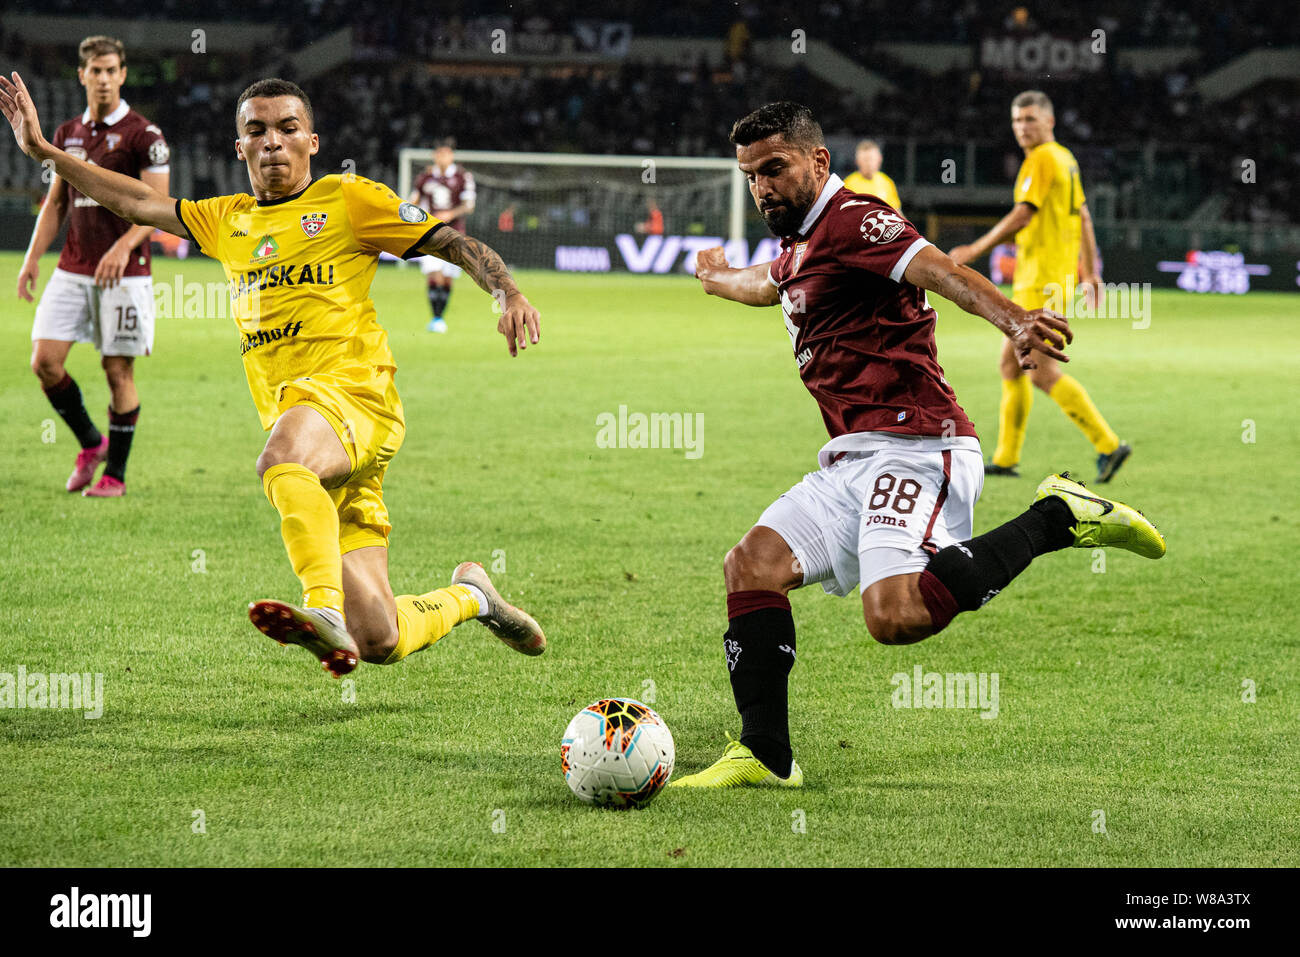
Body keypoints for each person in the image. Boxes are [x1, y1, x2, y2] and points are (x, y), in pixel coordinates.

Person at [674, 102, 1164, 789]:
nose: (761, 188)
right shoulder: (802, 245)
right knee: (750, 566)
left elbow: (940, 272)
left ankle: (1059, 516)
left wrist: (1015, 320)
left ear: (818, 161)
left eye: (774, 168)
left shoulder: (856, 218)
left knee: (895, 614)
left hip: (917, 443)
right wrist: (715, 276)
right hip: (849, 457)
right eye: (751, 175)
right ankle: (766, 753)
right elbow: (767, 283)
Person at [2, 72, 545, 676]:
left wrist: (508, 292)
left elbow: (449, 242)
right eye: (256, 131)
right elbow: (132, 200)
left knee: (279, 461)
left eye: (288, 129)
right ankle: (473, 597)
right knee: (381, 639)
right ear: (240, 148)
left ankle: (322, 610)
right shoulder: (224, 220)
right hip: (319, 435)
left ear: (312, 141)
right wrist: (47, 154)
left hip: (356, 398)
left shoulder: (348, 199)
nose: (272, 142)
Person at [948, 91, 1129, 483]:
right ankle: (1007, 457)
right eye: (1016, 120)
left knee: (1041, 373)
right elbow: (1082, 217)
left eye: (1030, 119)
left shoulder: (1042, 160)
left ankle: (1108, 445)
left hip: (1038, 284)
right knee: (1010, 365)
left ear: (1050, 121)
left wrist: (975, 249)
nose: (1022, 127)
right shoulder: (1066, 160)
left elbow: (1021, 214)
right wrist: (1091, 272)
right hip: (1051, 281)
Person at [18, 36, 169, 497]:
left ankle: (115, 477)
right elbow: (56, 204)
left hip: (125, 275)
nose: (103, 79)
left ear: (122, 75)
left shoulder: (146, 136)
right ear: (82, 75)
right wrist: (31, 257)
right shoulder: (65, 136)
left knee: (116, 371)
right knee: (44, 361)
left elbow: (159, 205)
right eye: (95, 71)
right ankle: (91, 444)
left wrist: (124, 245)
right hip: (73, 267)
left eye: (111, 71)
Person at [409, 138, 475, 333]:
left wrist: (450, 214)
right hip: (429, 233)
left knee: (447, 279)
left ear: (451, 155)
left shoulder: (463, 177)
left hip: (455, 234)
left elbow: (469, 205)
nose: (442, 157)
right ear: (434, 156)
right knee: (434, 275)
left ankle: (439, 317)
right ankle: (436, 319)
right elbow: (414, 199)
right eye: (439, 153)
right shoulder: (425, 178)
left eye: (446, 153)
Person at [842, 138, 901, 211]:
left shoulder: (887, 183)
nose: (869, 163)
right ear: (857, 161)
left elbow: (896, 211)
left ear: (879, 159)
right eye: (865, 159)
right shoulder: (848, 184)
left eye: (872, 159)